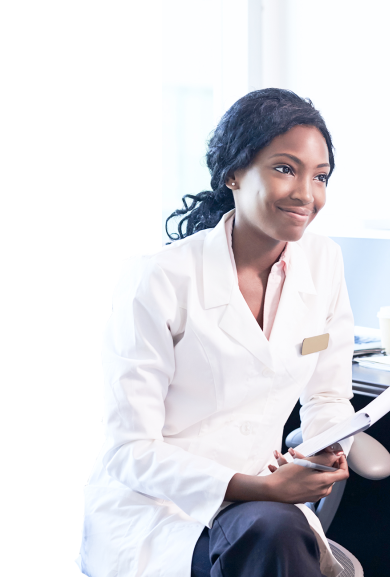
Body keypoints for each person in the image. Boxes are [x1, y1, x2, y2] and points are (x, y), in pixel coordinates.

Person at [79, 89, 356, 577]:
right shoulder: (160, 279)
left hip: (262, 501)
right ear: (233, 173)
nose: (306, 194)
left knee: (273, 533)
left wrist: (328, 446)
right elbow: (129, 451)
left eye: (320, 177)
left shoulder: (324, 262)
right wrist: (263, 490)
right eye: (285, 169)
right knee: (274, 534)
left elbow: (329, 395)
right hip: (160, 508)